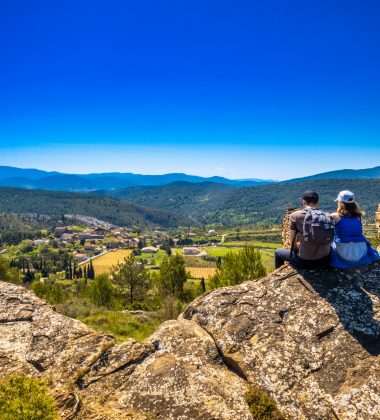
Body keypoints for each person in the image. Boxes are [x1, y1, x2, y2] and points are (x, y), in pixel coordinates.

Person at [275, 191, 331, 269]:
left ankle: (277, 275)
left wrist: (298, 246)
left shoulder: (295, 216)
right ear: (318, 202)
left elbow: (293, 245)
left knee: (278, 252)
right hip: (325, 260)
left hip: (305, 262)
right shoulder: (327, 215)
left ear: (304, 202)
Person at [329, 190, 380, 269]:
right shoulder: (358, 217)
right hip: (361, 250)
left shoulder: (335, 216)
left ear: (340, 203)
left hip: (343, 250)